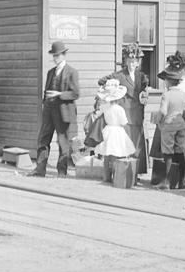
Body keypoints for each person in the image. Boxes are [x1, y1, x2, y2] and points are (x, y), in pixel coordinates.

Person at [97, 43, 151, 175]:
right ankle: (122, 173)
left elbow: (144, 91)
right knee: (126, 144)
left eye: (135, 61)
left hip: (137, 114)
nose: (133, 64)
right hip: (124, 114)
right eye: (130, 61)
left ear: (138, 62)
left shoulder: (141, 76)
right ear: (126, 61)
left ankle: (136, 173)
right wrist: (113, 89)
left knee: (137, 145)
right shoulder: (119, 75)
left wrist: (145, 94)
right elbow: (102, 81)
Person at [152, 52, 185, 189]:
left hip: (181, 123)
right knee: (175, 150)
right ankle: (173, 179)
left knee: (179, 151)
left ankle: (184, 179)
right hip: (177, 122)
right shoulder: (173, 90)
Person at [31, 41, 80, 177]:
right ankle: (40, 169)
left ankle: (62, 171)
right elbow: (46, 91)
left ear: (64, 55)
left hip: (63, 112)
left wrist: (59, 94)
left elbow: (76, 93)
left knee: (63, 142)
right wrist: (45, 103)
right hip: (49, 110)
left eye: (58, 55)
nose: (55, 58)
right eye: (54, 55)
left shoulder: (72, 72)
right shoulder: (50, 72)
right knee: (43, 139)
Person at [92, 79, 136, 182]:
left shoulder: (106, 107)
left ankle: (106, 176)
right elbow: (124, 122)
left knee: (107, 154)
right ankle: (117, 175)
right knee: (117, 153)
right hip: (117, 130)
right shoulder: (119, 109)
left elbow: (100, 113)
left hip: (108, 129)